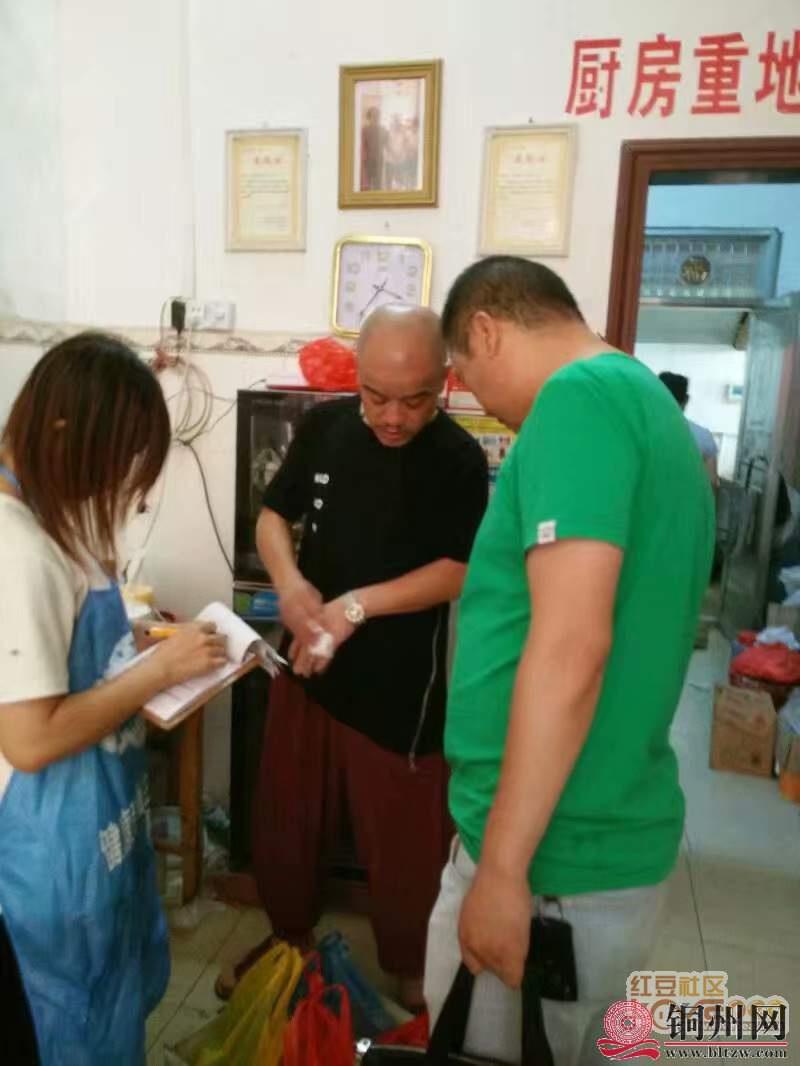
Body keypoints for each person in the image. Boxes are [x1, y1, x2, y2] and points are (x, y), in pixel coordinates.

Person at [423, 258, 715, 1065]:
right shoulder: (649, 406)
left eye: (463, 374)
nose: (476, 399)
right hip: (605, 841)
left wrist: (502, 870)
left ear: (485, 331)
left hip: (551, 871)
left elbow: (571, 648)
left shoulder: (576, 402)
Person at [224, 306, 488, 1011]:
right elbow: (273, 517)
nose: (393, 417)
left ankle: (413, 970)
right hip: (310, 663)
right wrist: (290, 584)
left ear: (445, 381)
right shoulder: (326, 427)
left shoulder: (458, 459)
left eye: (415, 400)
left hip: (400, 686)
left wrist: (355, 607)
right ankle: (288, 943)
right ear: (357, 377)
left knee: (406, 841)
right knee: (287, 814)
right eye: (376, 396)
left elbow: (459, 569)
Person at [0, 333, 229, 1066]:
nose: (124, 488)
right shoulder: (14, 547)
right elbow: (29, 739)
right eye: (117, 463)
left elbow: (68, 646)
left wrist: (144, 642)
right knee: (65, 1021)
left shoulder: (50, 520)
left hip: (96, 829)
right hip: (45, 849)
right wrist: (157, 673)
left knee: (108, 1004)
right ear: (63, 432)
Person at [659, 371, 719, 490]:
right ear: (686, 400)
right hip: (689, 500)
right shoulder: (703, 437)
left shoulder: (639, 434)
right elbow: (711, 483)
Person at [361, 106, 389, 191]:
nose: (376, 117)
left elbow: (387, 145)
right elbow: (362, 146)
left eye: (378, 115)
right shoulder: (364, 130)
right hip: (368, 160)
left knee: (378, 184)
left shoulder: (384, 130)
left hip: (379, 160)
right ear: (369, 117)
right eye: (374, 115)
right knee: (367, 184)